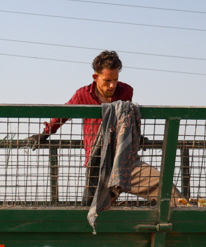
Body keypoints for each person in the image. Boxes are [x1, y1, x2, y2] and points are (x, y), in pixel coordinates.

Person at [27, 50, 166, 205]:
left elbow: (127, 120)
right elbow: (63, 114)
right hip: (97, 162)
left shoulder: (126, 91)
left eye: (115, 79)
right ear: (95, 77)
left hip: (122, 159)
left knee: (164, 187)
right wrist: (45, 134)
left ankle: (183, 207)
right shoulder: (83, 95)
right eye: (107, 80)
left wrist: (135, 137)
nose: (112, 85)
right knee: (92, 206)